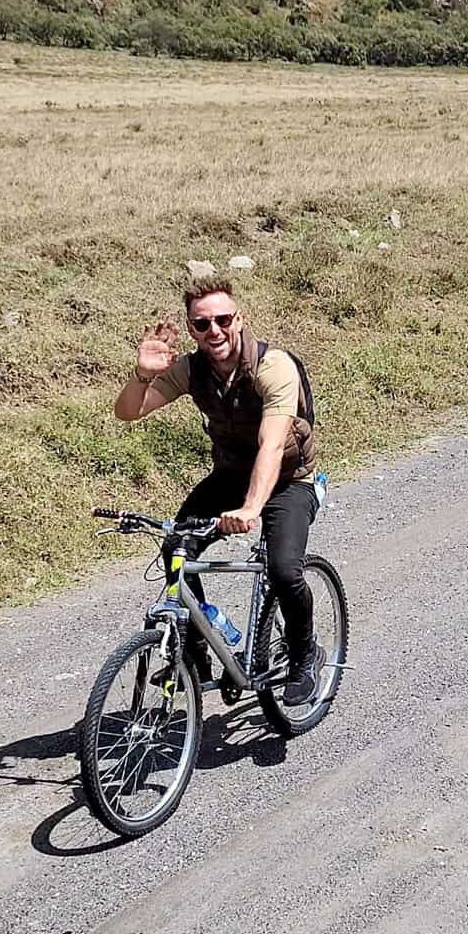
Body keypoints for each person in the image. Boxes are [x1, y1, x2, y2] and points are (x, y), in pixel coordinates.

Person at [114, 270, 324, 707]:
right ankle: (194, 656)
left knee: (285, 571)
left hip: (287, 481)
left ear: (240, 319)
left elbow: (271, 443)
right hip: (230, 476)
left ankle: (306, 656)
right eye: (202, 324)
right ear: (191, 329)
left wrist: (250, 508)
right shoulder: (192, 369)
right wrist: (141, 375)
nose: (215, 331)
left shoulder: (273, 366)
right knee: (176, 549)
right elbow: (129, 413)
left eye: (223, 320)